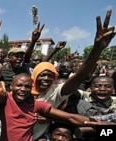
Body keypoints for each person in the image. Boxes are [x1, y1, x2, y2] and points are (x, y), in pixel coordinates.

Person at [31, 9, 116, 140]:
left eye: (50, 76)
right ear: (34, 76)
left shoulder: (54, 93)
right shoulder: (22, 92)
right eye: (42, 75)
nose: (46, 79)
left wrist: (97, 49)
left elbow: (78, 77)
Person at [0, 73, 115, 141]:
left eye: (27, 87)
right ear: (11, 87)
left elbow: (71, 118)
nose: (23, 89)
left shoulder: (37, 105)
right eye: (19, 85)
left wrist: (96, 123)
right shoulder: (5, 99)